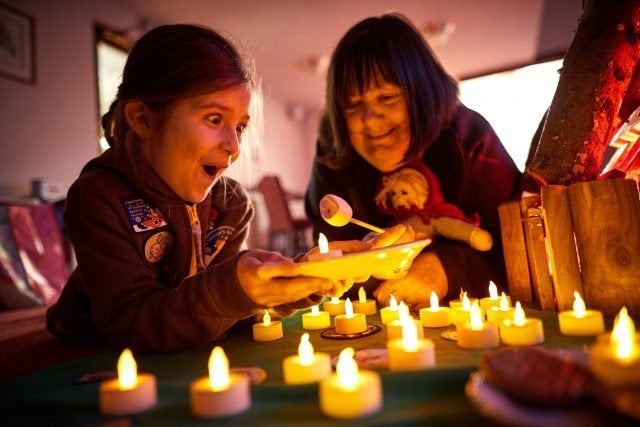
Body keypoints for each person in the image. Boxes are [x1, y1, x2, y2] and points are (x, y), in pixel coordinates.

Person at [46, 24, 366, 353]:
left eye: (240, 126)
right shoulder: (98, 199)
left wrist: (300, 276)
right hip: (91, 347)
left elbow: (223, 311)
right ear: (143, 119)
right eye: (214, 118)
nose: (234, 146)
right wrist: (231, 290)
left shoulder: (230, 206)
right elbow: (131, 324)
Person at [305, 13, 522, 309]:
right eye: (353, 104)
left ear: (423, 94)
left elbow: (518, 246)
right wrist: (367, 263)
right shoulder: (334, 156)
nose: (370, 120)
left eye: (387, 97)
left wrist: (446, 268)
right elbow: (335, 262)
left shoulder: (468, 136)